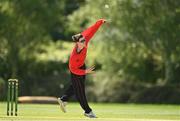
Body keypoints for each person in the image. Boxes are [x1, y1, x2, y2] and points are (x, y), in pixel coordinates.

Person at [57, 19, 106, 118]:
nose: (84, 42)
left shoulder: (85, 40)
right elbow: (73, 70)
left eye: (84, 40)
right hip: (76, 70)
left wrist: (100, 22)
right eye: (82, 41)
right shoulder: (73, 57)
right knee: (80, 91)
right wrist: (85, 71)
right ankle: (88, 111)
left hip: (82, 67)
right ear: (77, 43)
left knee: (76, 87)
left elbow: (92, 30)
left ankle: (64, 99)